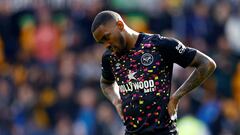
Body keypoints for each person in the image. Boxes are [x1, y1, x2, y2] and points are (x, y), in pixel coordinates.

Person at [91, 10, 216, 135]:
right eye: (101, 42)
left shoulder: (158, 45)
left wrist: (177, 96)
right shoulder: (109, 58)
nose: (106, 45)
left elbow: (207, 64)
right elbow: (106, 82)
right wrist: (116, 101)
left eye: (106, 37)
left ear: (120, 25)